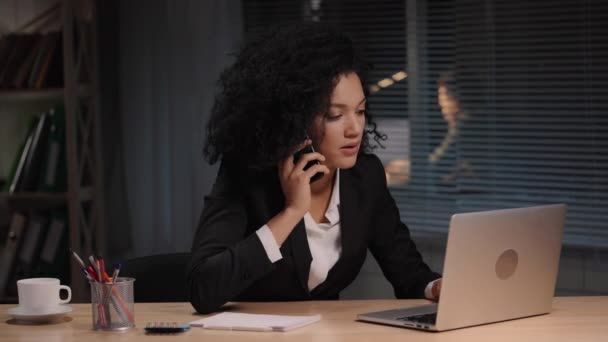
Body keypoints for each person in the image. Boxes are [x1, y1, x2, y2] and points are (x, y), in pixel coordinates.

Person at [187, 23, 441, 314]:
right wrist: (292, 212)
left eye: (360, 111)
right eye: (335, 115)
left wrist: (436, 286)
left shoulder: (365, 176)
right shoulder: (248, 175)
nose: (355, 128)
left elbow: (409, 273)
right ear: (294, 118)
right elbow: (202, 288)